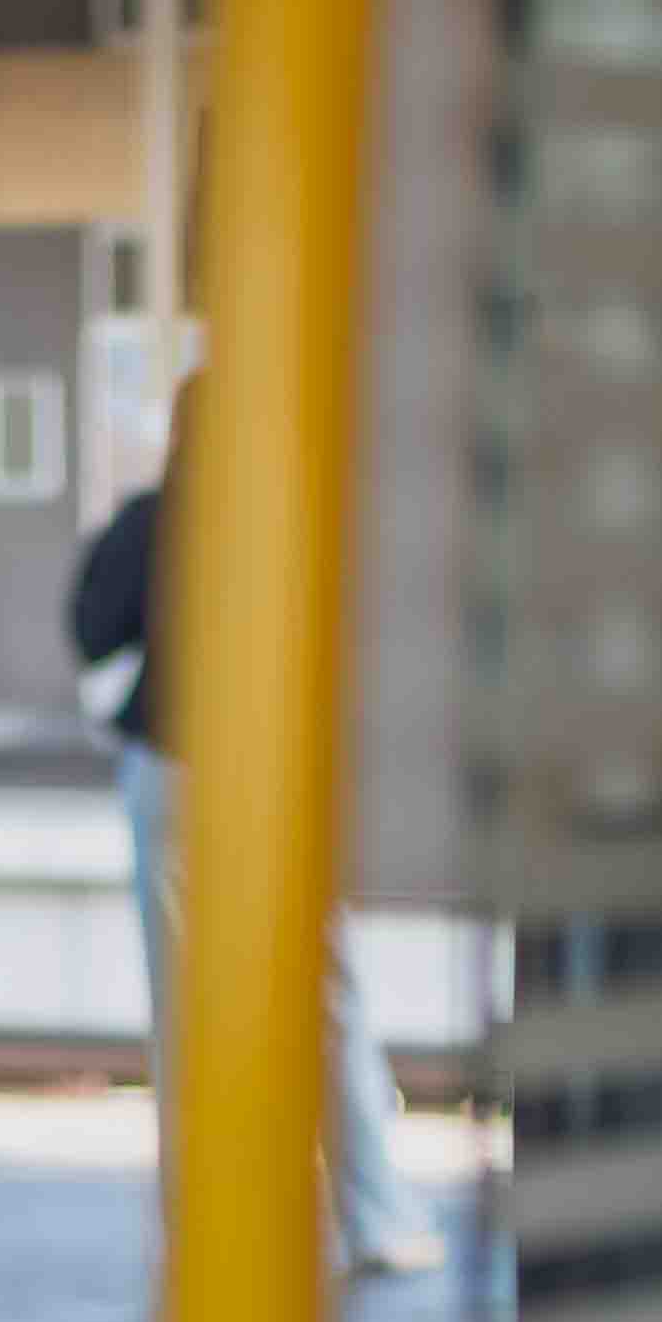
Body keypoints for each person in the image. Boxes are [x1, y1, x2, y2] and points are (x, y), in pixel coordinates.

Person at [69, 461, 436, 1275]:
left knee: (184, 1007)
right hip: (277, 771)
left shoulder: (155, 511)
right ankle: (377, 1216)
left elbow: (95, 627)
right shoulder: (304, 504)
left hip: (172, 770)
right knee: (327, 992)